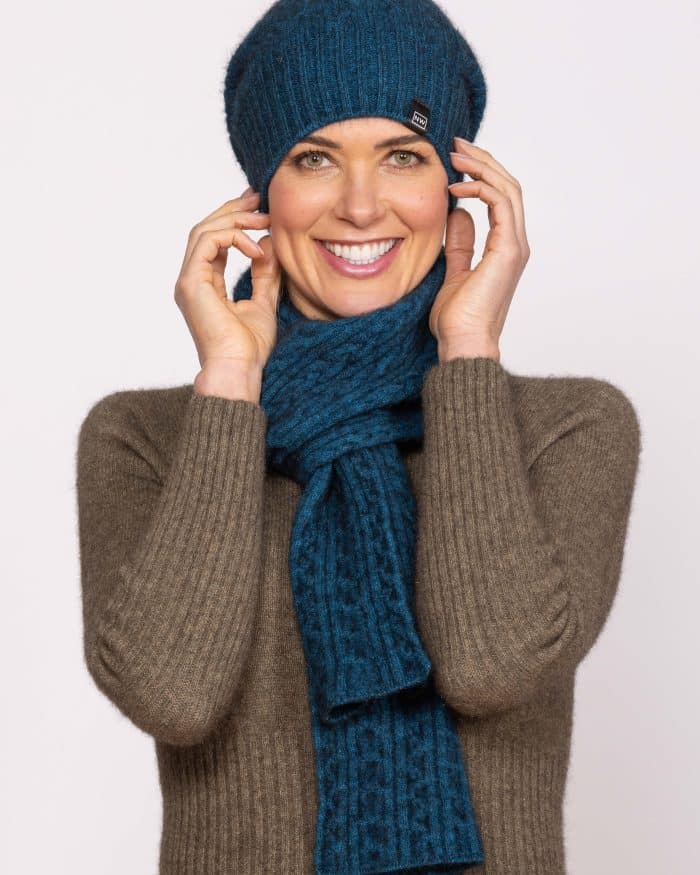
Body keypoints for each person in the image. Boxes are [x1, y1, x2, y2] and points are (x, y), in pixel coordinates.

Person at [75, 1, 642, 873]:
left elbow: (488, 666)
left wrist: (468, 349)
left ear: (457, 190)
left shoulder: (566, 428)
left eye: (403, 156)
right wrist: (229, 382)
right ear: (262, 197)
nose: (361, 204)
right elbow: (173, 694)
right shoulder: (147, 438)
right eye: (314, 159)